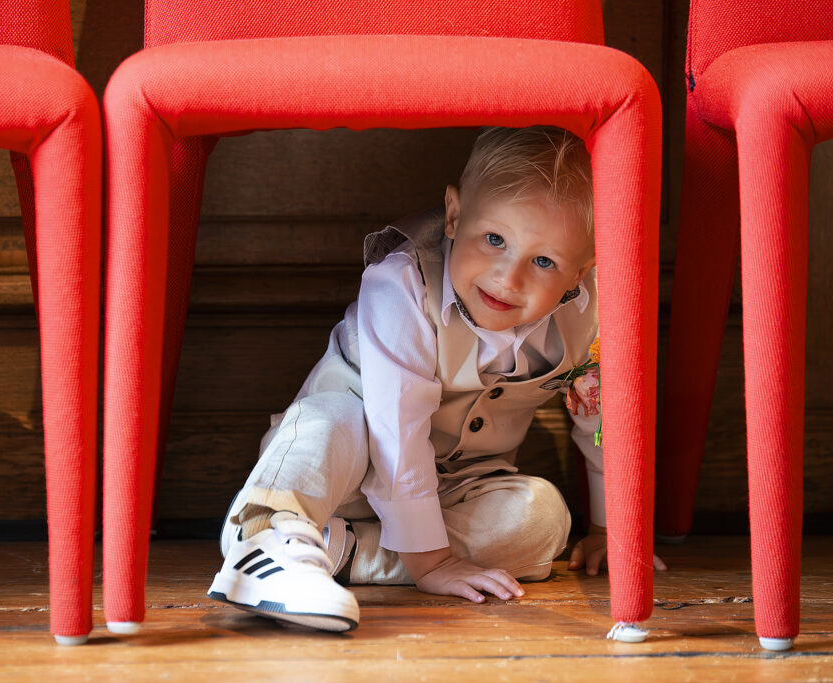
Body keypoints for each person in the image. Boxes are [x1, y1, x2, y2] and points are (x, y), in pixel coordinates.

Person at [207, 126, 663, 633]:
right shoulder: (401, 282)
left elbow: (604, 423)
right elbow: (394, 426)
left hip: (459, 491)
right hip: (347, 470)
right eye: (494, 239)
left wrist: (608, 529)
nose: (507, 279)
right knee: (327, 419)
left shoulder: (593, 314)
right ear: (452, 215)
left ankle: (339, 553)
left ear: (581, 273)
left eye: (543, 261)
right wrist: (431, 564)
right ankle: (266, 533)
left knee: (543, 515)